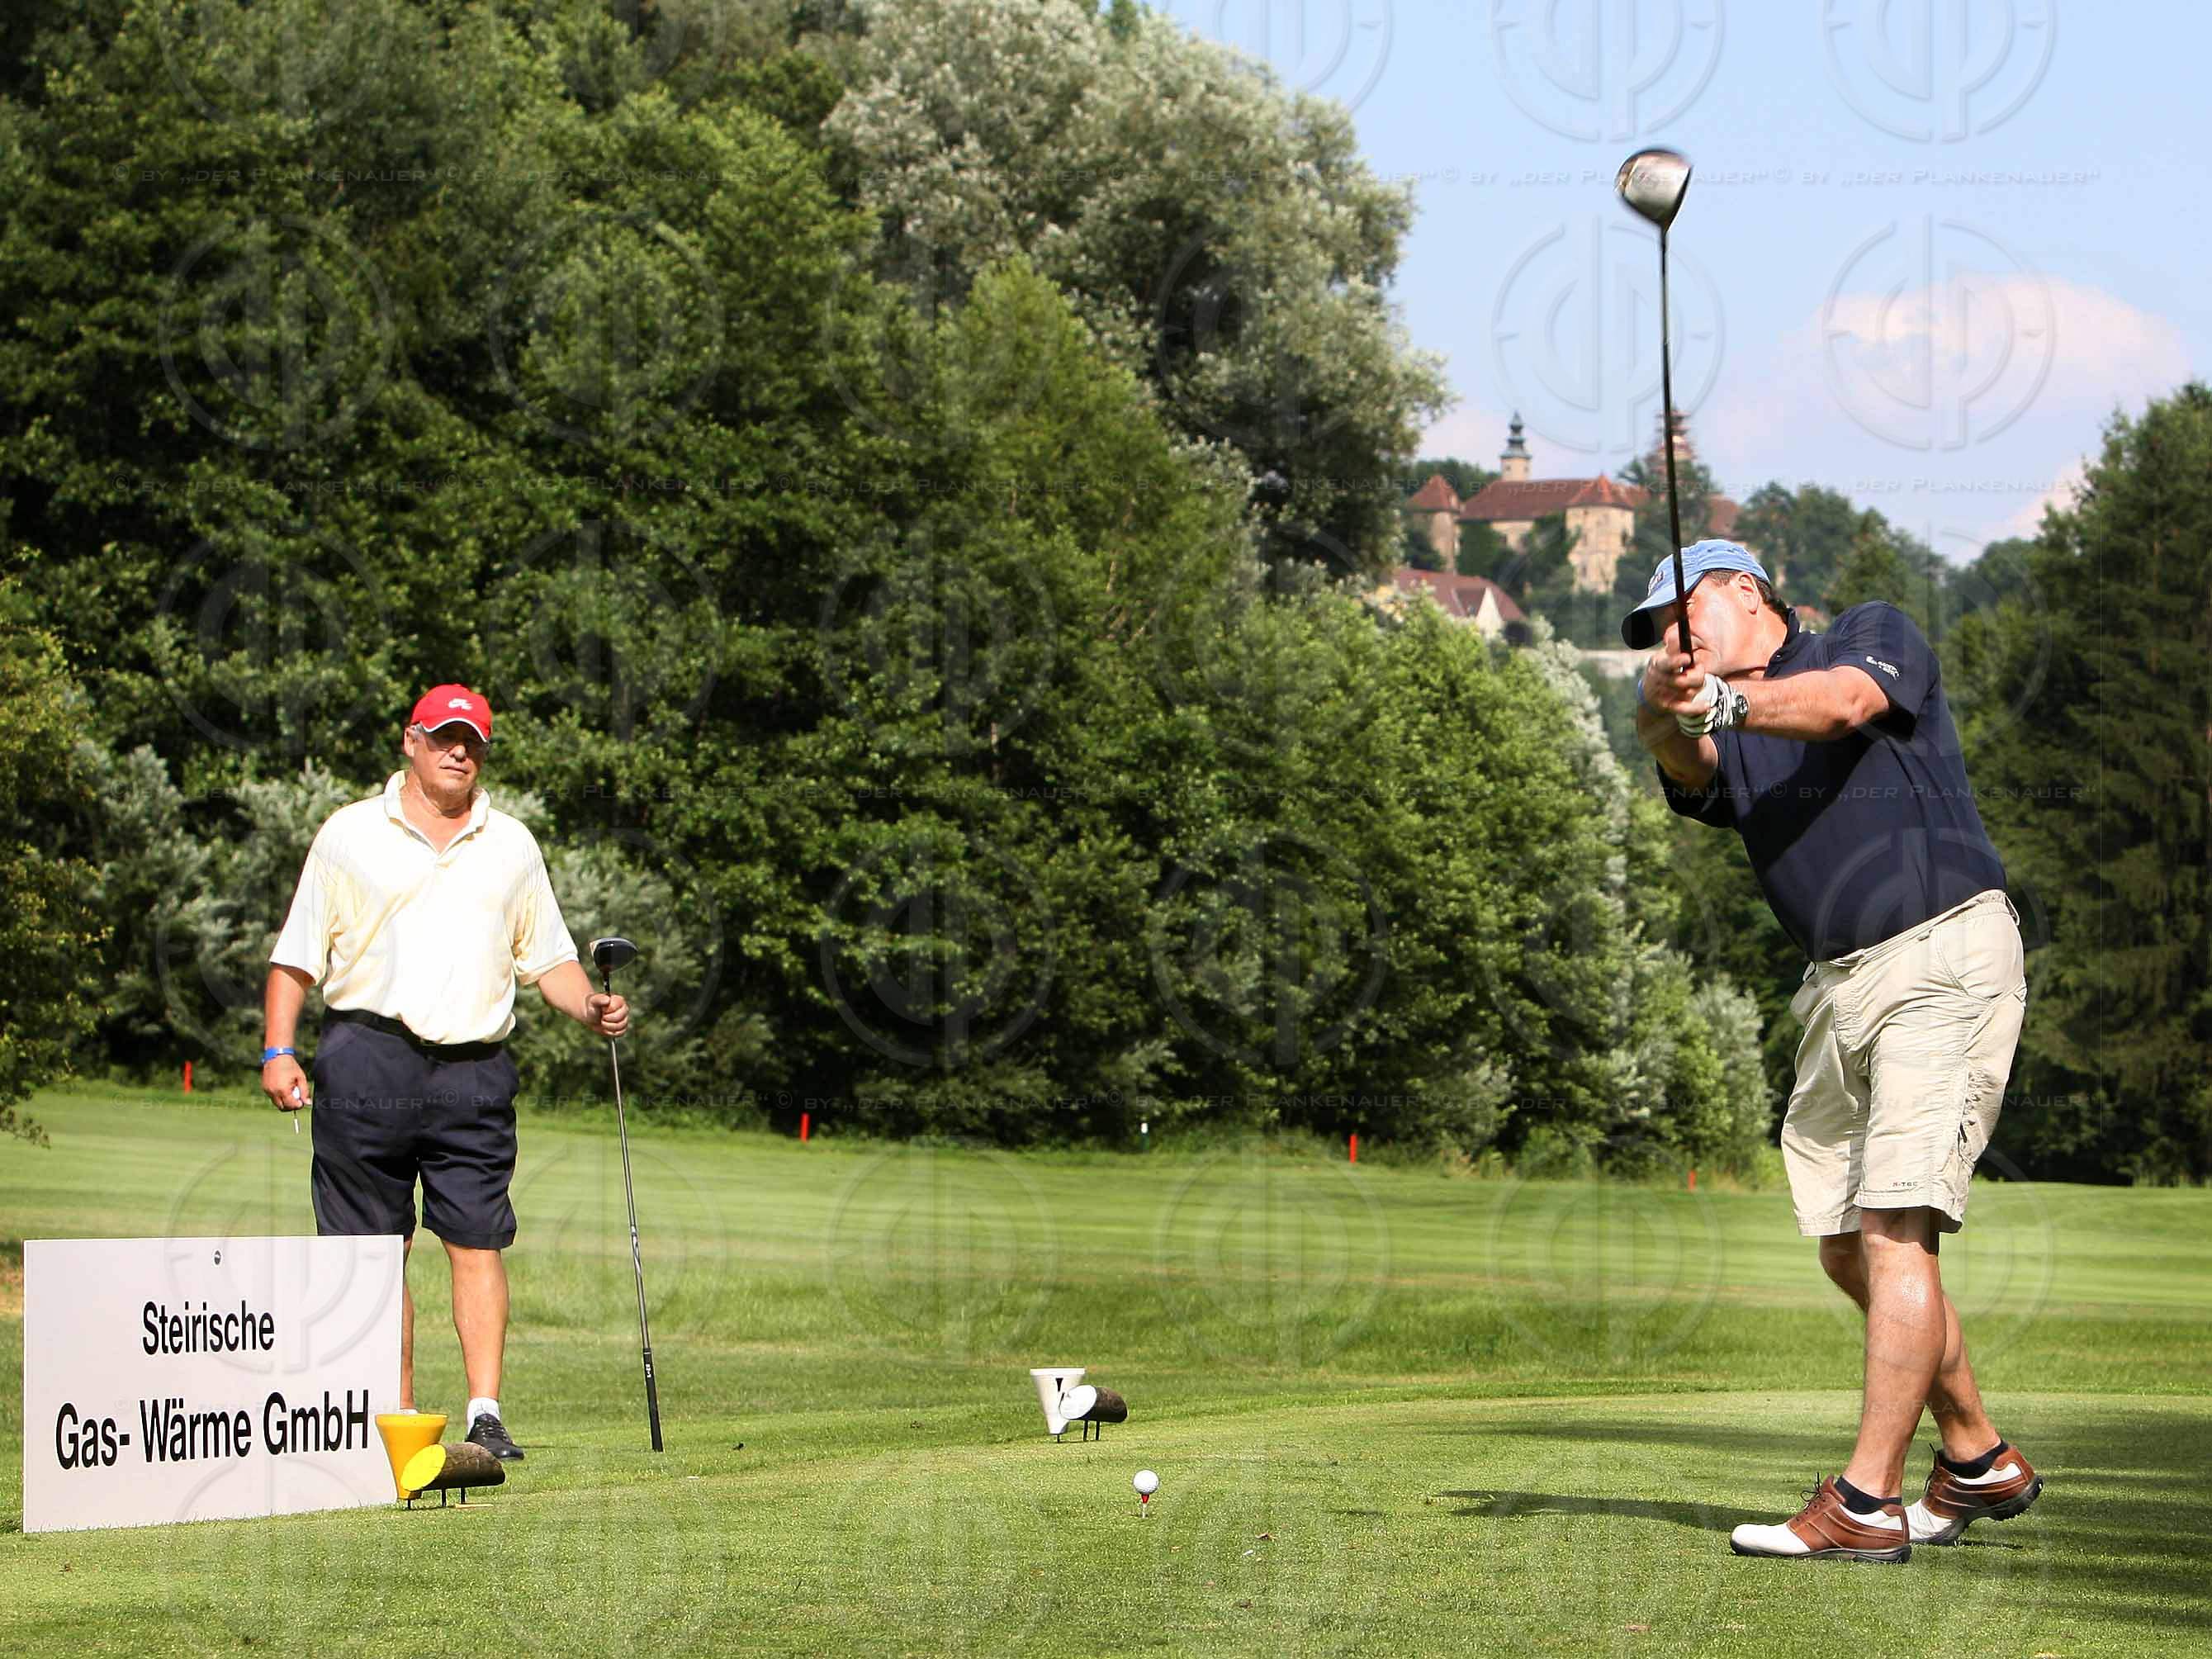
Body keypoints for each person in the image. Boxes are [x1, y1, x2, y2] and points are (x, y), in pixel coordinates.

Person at [1628, 542, 2039, 1562]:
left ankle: (1865, 1501)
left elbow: (1846, 703)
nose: (1676, 639)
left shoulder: (1868, 631)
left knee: (1896, 1228)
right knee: (1844, 1241)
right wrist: (1660, 705)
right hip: (1840, 984)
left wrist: (1717, 705)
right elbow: (1688, 767)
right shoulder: (1726, 724)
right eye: (1656, 635)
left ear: (1743, 590)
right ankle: (1978, 1453)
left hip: (1939, 947)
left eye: (1682, 615)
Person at [259, 685, 628, 1462]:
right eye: (445, 737)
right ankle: (389, 1417)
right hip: (366, 1054)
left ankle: (485, 1414)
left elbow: (550, 957)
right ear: (412, 741)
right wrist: (277, 1048)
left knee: (476, 1238)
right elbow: (296, 955)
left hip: (473, 1067)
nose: (460, 751)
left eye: (474, 741)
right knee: (372, 1248)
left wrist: (589, 1007)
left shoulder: (512, 844)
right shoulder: (349, 833)